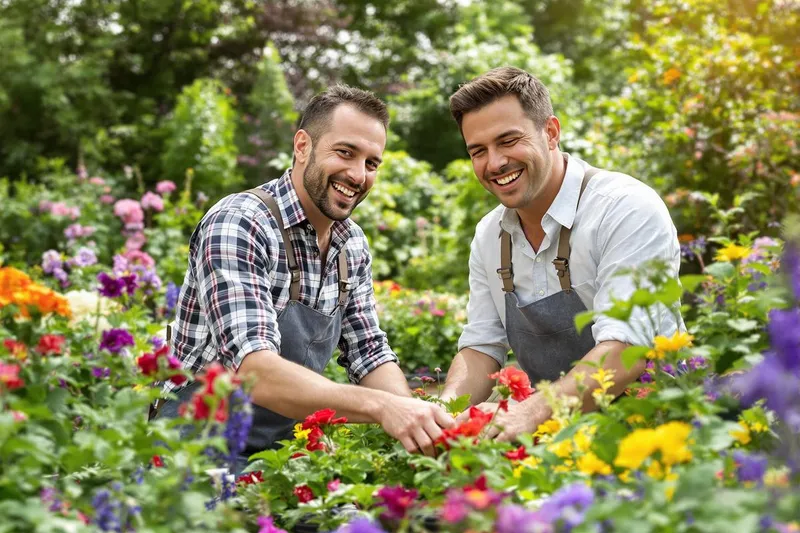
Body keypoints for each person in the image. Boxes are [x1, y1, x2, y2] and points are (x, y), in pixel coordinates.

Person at [155, 85, 454, 470]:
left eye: (372, 163)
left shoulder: (351, 244)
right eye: (345, 153)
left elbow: (369, 353)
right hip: (191, 452)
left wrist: (418, 418)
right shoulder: (241, 223)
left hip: (278, 457)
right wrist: (382, 407)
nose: (358, 174)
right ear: (302, 147)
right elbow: (254, 372)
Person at [438, 67, 684, 441]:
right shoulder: (491, 235)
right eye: (478, 151)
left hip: (654, 431)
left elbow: (627, 348)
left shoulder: (625, 208)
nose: (495, 163)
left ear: (550, 132)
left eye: (508, 140)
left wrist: (527, 414)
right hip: (557, 438)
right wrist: (442, 417)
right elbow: (481, 348)